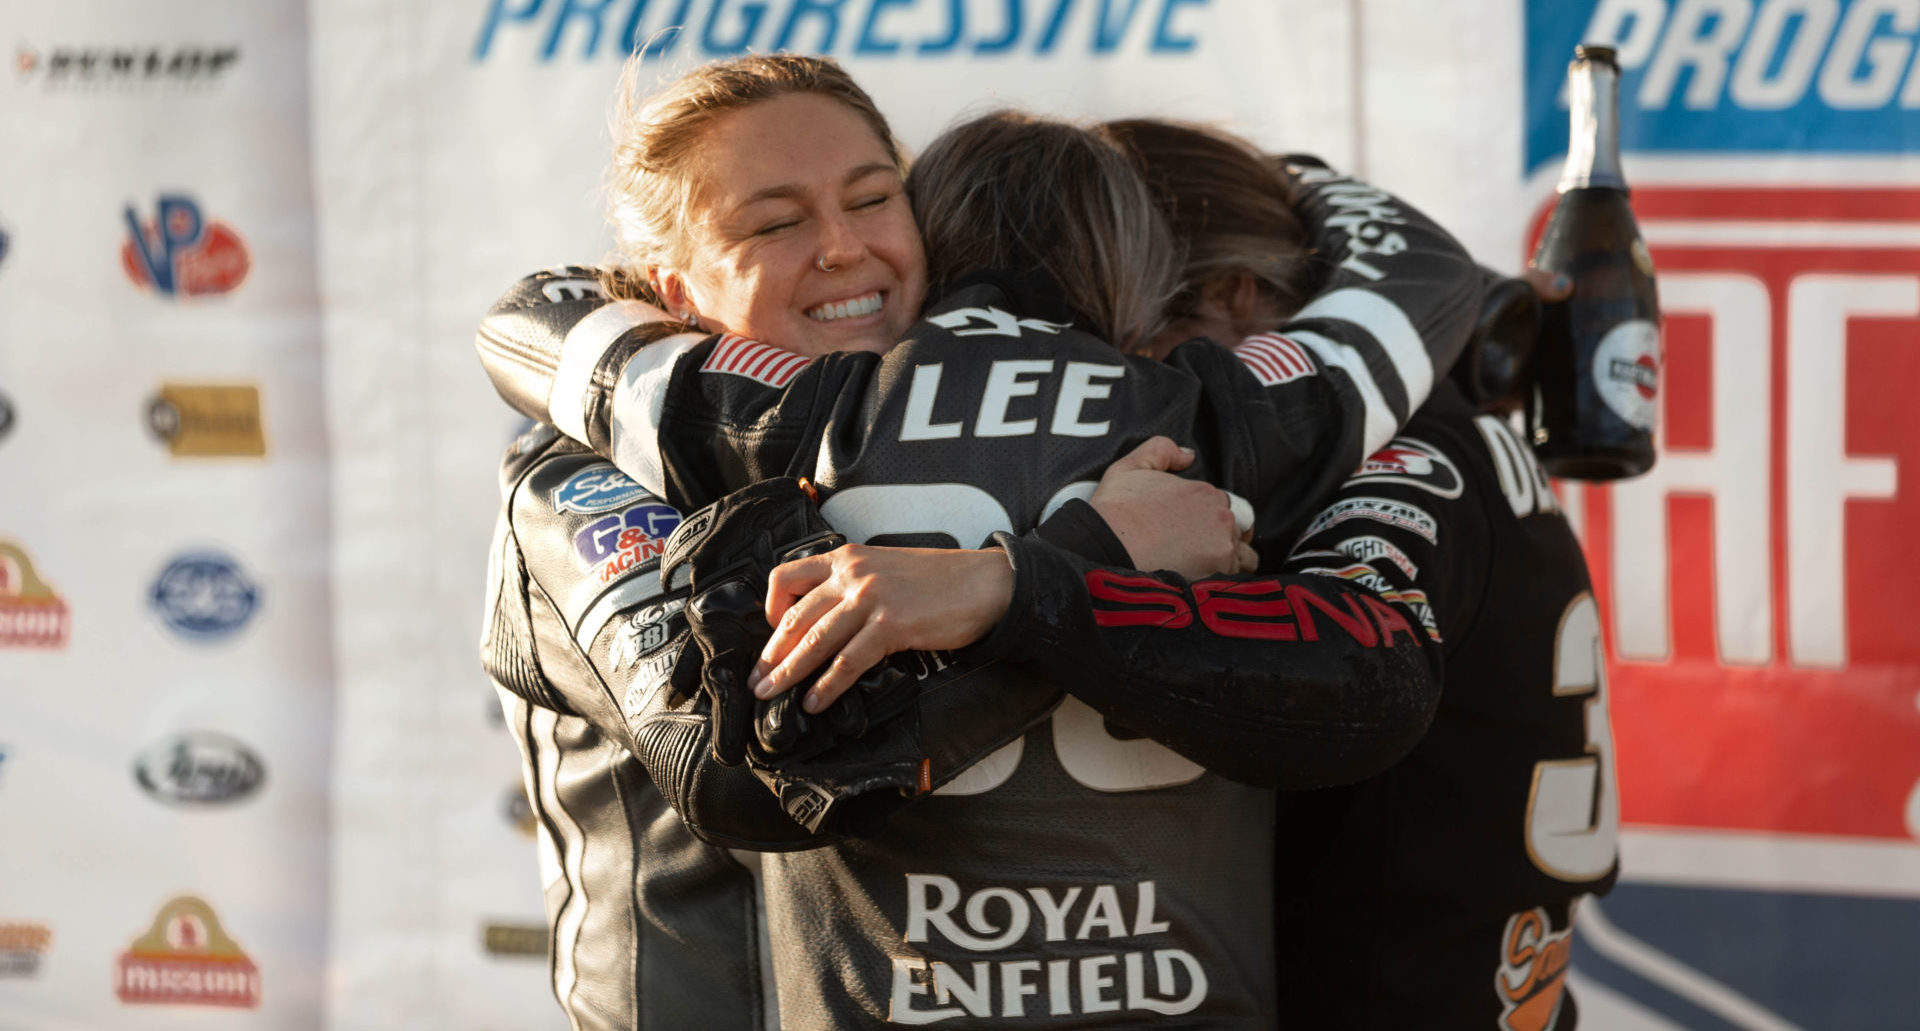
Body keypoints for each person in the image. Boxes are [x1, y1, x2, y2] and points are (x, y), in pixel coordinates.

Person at [479, 56, 1484, 1028]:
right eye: (775, 222)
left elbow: (530, 311)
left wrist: (1018, 589)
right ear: (675, 291)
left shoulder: (774, 420)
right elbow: (734, 766)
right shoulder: (587, 467)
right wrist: (1063, 568)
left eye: (874, 198)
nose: (841, 246)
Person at [762, 118, 1621, 1028]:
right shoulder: (1438, 411)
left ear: (1235, 295)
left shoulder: (1377, 447)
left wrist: (1032, 583)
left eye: (1138, 328)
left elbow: (1366, 661)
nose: (1110, 376)